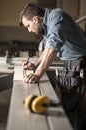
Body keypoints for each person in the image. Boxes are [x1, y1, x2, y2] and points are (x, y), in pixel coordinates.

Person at [19, 2, 86, 130]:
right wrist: (35, 65)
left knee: (75, 110)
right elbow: (47, 48)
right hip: (73, 63)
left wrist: (37, 74)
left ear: (35, 19)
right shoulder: (48, 24)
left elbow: (52, 48)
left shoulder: (57, 17)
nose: (29, 30)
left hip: (81, 63)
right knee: (68, 106)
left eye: (28, 26)